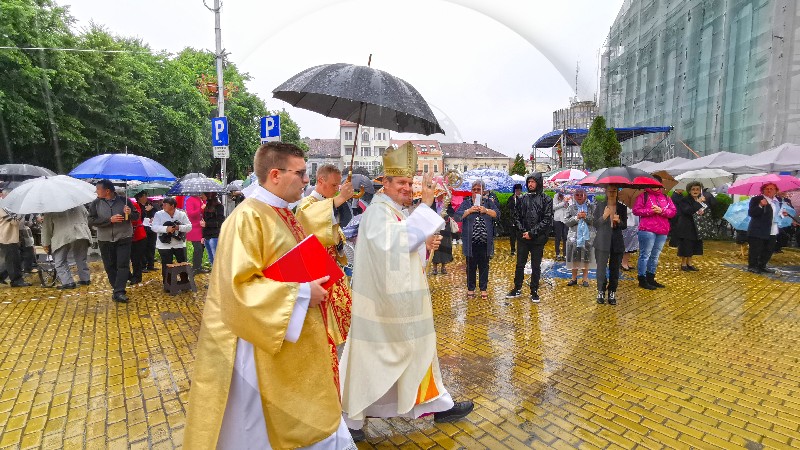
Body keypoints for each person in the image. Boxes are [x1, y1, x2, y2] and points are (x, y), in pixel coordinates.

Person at [184, 143, 354, 449]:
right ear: (275, 174)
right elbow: (237, 287)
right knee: (261, 430)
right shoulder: (247, 217)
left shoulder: (284, 212)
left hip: (294, 338)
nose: (306, 180)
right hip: (259, 346)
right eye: (300, 173)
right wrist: (303, 293)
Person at [340, 142, 474, 443]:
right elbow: (392, 246)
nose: (407, 187)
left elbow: (402, 248)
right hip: (381, 307)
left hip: (400, 300)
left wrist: (423, 247)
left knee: (418, 351)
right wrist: (425, 207)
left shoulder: (393, 211)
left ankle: (437, 404)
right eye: (401, 182)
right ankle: (352, 418)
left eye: (409, 182)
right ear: (385, 183)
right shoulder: (378, 212)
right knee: (374, 358)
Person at [295, 164, 354, 349]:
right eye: (334, 185)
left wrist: (339, 246)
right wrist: (341, 198)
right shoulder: (306, 205)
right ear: (321, 181)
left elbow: (335, 234)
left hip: (332, 269)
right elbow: (312, 219)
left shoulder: (329, 203)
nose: (337, 189)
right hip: (314, 273)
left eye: (338, 186)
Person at [88, 180, 138, 303]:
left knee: (123, 264)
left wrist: (130, 213)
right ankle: (117, 289)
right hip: (105, 239)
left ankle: (119, 291)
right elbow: (91, 221)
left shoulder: (124, 201)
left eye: (98, 189)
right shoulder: (95, 203)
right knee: (110, 266)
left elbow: (136, 216)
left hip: (124, 237)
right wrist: (109, 220)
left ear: (107, 191)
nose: (96, 191)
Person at [507, 172, 552, 303]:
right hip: (523, 238)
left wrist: (532, 233)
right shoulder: (522, 199)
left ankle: (534, 290)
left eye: (533, 182)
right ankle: (517, 288)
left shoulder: (546, 199)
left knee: (535, 266)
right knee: (520, 264)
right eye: (529, 182)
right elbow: (516, 216)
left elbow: (546, 219)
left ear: (538, 183)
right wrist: (523, 232)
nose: (530, 184)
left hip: (538, 239)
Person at [456, 180, 500, 298]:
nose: (476, 192)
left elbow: (497, 214)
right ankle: (471, 288)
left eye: (478, 190)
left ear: (483, 191)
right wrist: (469, 211)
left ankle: (483, 288)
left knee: (484, 266)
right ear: (471, 191)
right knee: (470, 266)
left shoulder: (488, 203)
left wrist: (486, 211)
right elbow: (457, 216)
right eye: (474, 190)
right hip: (470, 242)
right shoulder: (466, 203)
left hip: (485, 242)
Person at [632, 175, 676, 290]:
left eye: (657, 183)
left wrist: (662, 211)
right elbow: (636, 210)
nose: (655, 185)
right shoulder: (643, 196)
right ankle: (642, 279)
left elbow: (673, 212)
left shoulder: (666, 197)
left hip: (662, 230)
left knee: (655, 256)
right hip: (647, 230)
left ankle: (651, 278)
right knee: (645, 255)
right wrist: (650, 211)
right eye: (652, 182)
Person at [41, 206, 92, 289]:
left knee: (60, 261)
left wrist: (46, 243)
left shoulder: (51, 208)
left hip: (62, 236)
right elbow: (86, 216)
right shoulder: (78, 204)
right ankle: (85, 279)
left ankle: (68, 282)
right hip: (81, 232)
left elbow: (47, 228)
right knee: (81, 258)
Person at [593, 185, 626, 305]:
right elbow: (595, 224)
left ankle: (612, 291)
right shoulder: (600, 206)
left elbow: (624, 225)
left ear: (617, 192)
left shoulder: (622, 207)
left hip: (616, 242)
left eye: (614, 190)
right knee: (601, 268)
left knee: (615, 269)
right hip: (602, 241)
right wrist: (604, 216)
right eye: (610, 190)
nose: (612, 193)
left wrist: (619, 221)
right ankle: (601, 290)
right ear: (606, 192)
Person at [673, 181, 716, 271]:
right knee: (686, 245)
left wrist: (702, 211)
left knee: (693, 245)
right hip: (686, 227)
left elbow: (704, 210)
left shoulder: (700, 199)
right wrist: (698, 203)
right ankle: (683, 264)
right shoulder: (684, 200)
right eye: (693, 189)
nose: (695, 191)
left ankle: (690, 263)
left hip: (697, 227)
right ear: (689, 191)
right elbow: (688, 211)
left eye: (697, 189)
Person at [150, 197, 192, 285]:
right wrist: (166, 229)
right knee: (166, 264)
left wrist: (178, 227)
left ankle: (185, 281)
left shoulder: (181, 214)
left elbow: (189, 227)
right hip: (164, 244)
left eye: (165, 204)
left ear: (172, 206)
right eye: (163, 204)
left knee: (182, 262)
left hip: (179, 243)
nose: (163, 206)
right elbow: (154, 227)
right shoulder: (159, 214)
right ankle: (168, 284)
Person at [747, 182, 786, 273]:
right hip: (758, 229)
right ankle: (752, 266)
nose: (769, 190)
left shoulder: (778, 201)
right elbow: (751, 213)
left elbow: (776, 215)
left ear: (776, 191)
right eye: (767, 189)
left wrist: (783, 215)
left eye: (771, 189)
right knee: (756, 249)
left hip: (773, 229)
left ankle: (762, 265)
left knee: (769, 249)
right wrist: (760, 205)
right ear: (763, 190)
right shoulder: (756, 199)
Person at [564, 188, 596, 287]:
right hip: (574, 236)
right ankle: (574, 278)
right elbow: (566, 222)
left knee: (586, 257)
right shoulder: (571, 207)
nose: (579, 197)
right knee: (575, 258)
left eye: (581, 195)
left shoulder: (591, 207)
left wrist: (586, 217)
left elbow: (595, 221)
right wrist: (576, 217)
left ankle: (585, 279)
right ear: (574, 196)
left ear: (585, 195)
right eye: (577, 195)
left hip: (588, 236)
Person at [0, 193, 30, 287]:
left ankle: (2, 276)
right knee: (13, 260)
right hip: (7, 237)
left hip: (8, 236)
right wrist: (23, 211)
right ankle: (16, 281)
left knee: (11, 259)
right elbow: (14, 221)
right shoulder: (3, 207)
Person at [134, 191, 159, 272]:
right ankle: (143, 266)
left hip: (151, 228)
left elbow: (156, 213)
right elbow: (139, 217)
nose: (146, 198)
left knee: (151, 247)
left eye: (146, 196)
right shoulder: (137, 206)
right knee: (143, 248)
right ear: (139, 197)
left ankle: (151, 265)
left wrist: (152, 214)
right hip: (143, 229)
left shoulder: (150, 204)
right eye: (144, 196)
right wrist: (147, 211)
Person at [431, 193, 455, 275]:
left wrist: (447, 215)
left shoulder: (447, 202)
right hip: (434, 228)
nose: (440, 195)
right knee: (435, 247)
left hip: (445, 228)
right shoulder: (432, 203)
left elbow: (452, 212)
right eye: (439, 194)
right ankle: (434, 267)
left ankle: (443, 266)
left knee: (445, 246)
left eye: (442, 194)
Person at [200, 192, 225, 266]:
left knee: (216, 258)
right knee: (211, 258)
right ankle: (214, 272)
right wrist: (203, 236)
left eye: (203, 194)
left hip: (215, 235)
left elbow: (220, 222)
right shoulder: (206, 206)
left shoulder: (219, 206)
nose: (201, 196)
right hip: (207, 236)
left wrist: (207, 224)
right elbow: (204, 221)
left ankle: (218, 272)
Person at [184, 193, 207, 274]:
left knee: (201, 248)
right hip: (194, 227)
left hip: (201, 227)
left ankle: (198, 266)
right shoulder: (190, 200)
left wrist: (204, 202)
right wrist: (201, 208)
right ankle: (195, 267)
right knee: (198, 248)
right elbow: (191, 214)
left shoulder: (199, 199)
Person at [128, 194, 148, 285]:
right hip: (126, 235)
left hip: (137, 235)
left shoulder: (132, 204)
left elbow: (136, 218)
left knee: (136, 258)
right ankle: (129, 276)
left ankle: (136, 276)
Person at [552, 190, 570, 260]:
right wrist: (563, 202)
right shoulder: (556, 196)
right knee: (558, 237)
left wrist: (567, 203)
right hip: (558, 219)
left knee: (566, 236)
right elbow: (553, 207)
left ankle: (565, 254)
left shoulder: (569, 195)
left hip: (566, 218)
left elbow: (571, 207)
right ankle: (557, 253)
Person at [620, 205, 639, 271]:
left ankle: (626, 262)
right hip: (627, 225)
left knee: (631, 246)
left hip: (634, 225)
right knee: (626, 245)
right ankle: (623, 263)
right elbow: (624, 210)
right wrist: (635, 209)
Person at [507, 184, 523, 256]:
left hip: (520, 220)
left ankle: (520, 249)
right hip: (512, 220)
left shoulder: (524, 198)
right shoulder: (511, 198)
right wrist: (513, 200)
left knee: (520, 236)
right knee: (512, 236)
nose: (518, 192)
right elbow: (508, 207)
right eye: (516, 190)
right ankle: (513, 250)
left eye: (519, 190)